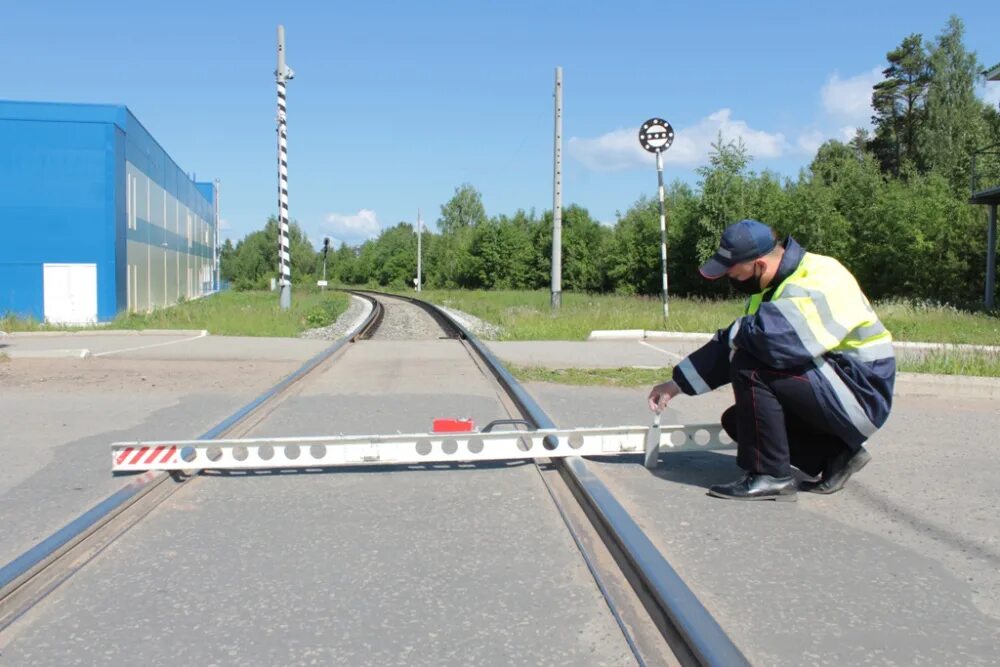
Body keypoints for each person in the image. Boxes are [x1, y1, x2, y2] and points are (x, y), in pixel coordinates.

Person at [647, 219, 895, 501]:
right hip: (836, 385)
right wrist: (675, 384)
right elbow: (734, 341)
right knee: (740, 422)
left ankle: (771, 476)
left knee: (752, 364)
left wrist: (740, 334)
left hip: (861, 393)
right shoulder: (772, 287)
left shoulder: (821, 276)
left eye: (736, 275)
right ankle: (836, 457)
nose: (732, 280)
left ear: (760, 265)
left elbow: (771, 340)